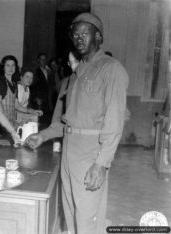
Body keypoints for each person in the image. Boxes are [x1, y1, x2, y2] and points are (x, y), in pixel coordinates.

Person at [26, 12, 129, 234]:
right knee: (70, 208)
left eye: (85, 33)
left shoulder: (111, 69)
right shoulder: (76, 74)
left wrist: (101, 164)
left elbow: (114, 123)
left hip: (91, 152)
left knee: (87, 215)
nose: (79, 38)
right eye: (75, 34)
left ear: (99, 37)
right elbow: (68, 120)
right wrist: (43, 135)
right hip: (69, 150)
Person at [0, 55, 20, 135]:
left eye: (13, 65)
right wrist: (5, 123)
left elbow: (16, 105)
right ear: (3, 67)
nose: (11, 68)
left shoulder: (14, 83)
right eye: (8, 65)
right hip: (0, 124)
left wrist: (31, 111)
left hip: (11, 123)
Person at [52, 50, 80, 124]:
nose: (73, 66)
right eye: (70, 63)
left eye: (76, 62)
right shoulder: (66, 81)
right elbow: (58, 112)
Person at [30, 52, 55, 124]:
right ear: (38, 60)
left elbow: (51, 85)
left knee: (47, 119)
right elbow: (32, 86)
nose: (43, 61)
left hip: (48, 99)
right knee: (39, 120)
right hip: (39, 99)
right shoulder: (35, 71)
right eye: (41, 59)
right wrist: (36, 98)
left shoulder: (49, 71)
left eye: (44, 59)